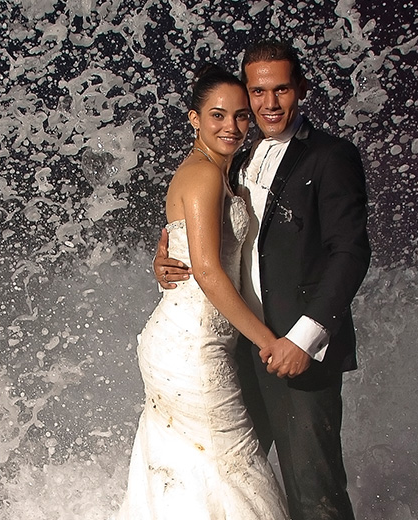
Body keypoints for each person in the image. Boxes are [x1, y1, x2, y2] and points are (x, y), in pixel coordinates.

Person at [153, 40, 371, 520]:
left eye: (282, 90)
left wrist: (304, 338)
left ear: (301, 89)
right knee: (225, 478)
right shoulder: (237, 155)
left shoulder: (331, 156)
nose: (269, 104)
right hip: (234, 347)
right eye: (257, 92)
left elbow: (351, 253)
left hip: (295, 350)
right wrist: (168, 255)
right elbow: (212, 236)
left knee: (313, 491)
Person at [117, 64, 291, 520]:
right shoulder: (203, 175)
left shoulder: (223, 173)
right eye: (217, 115)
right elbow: (209, 272)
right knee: (229, 462)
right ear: (194, 119)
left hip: (198, 342)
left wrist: (164, 256)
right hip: (191, 350)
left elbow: (191, 249)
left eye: (240, 116)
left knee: (196, 471)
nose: (231, 126)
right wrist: (268, 342)